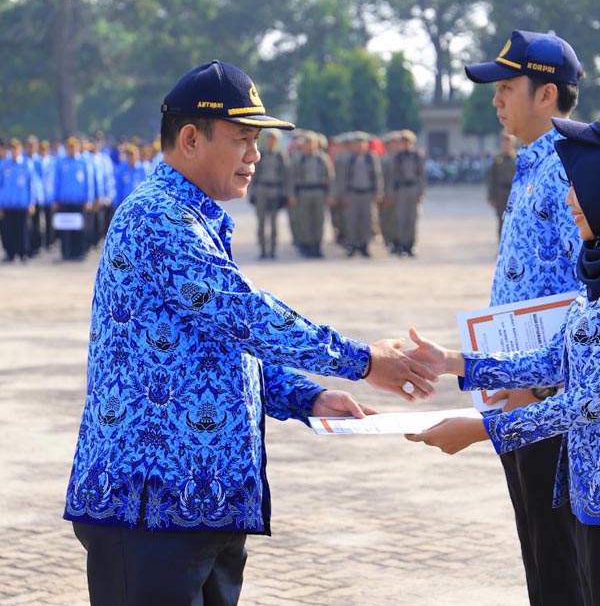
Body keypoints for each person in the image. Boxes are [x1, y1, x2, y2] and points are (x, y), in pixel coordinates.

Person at [63, 60, 437, 606]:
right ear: (190, 139)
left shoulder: (196, 217)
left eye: (257, 141)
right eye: (242, 139)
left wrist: (306, 396)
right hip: (150, 508)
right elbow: (244, 314)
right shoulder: (157, 217)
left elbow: (220, 344)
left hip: (204, 502)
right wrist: (361, 360)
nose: (255, 156)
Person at [406, 103, 600, 606]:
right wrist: (456, 363)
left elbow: (586, 401)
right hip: (592, 492)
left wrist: (480, 430)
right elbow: (555, 360)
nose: (570, 199)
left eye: (582, 185)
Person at [459, 29, 587, 605]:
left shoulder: (568, 171)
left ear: (547, 94)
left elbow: (591, 292)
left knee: (558, 557)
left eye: (507, 86)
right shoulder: (531, 165)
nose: (496, 98)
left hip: (549, 403)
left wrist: (538, 391)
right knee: (539, 550)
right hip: (520, 391)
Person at [288, 131, 334, 258]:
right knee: (305, 220)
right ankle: (307, 245)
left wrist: (331, 194)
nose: (309, 146)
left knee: (319, 220)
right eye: (306, 143)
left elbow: (330, 178)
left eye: (311, 143)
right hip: (303, 193)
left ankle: (317, 245)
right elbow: (292, 178)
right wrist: (292, 195)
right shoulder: (298, 159)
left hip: (319, 192)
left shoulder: (322, 158)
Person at [337, 132, 382, 257]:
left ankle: (364, 245)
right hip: (352, 193)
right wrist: (343, 194)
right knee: (352, 220)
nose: (359, 146)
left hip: (367, 193)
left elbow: (377, 177)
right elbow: (342, 178)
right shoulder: (348, 159)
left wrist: (378, 193)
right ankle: (352, 244)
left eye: (362, 143)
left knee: (367, 221)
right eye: (356, 143)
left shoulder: (371, 158)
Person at [247, 129, 291, 259]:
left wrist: (285, 194)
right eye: (269, 139)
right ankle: (262, 249)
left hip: (275, 191)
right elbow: (253, 175)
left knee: (273, 222)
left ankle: (272, 249)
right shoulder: (261, 155)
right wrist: (252, 193)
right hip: (262, 190)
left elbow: (286, 177)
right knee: (261, 222)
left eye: (273, 139)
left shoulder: (280, 156)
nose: (271, 142)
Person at [52, 137, 95, 261]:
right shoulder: (61, 163)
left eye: (73, 146)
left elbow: (89, 183)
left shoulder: (83, 163)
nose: (71, 149)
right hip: (65, 202)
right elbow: (56, 182)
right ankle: (66, 253)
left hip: (79, 202)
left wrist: (89, 199)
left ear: (77, 148)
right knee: (65, 229)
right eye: (69, 147)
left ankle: (79, 252)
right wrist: (55, 199)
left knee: (80, 229)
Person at [388, 130, 425, 257]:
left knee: (412, 219)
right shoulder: (397, 157)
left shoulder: (416, 156)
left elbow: (421, 175)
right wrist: (392, 193)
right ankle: (401, 245)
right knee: (402, 219)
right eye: (403, 142)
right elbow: (393, 176)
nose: (405, 145)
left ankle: (410, 245)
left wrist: (421, 192)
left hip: (413, 188)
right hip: (401, 189)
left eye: (407, 142)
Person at [486, 133, 517, 239]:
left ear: (513, 143)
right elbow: (492, 179)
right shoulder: (497, 160)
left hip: (513, 194)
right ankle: (501, 245)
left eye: (508, 143)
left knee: (514, 220)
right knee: (501, 220)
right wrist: (491, 197)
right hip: (500, 194)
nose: (506, 146)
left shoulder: (517, 159)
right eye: (504, 143)